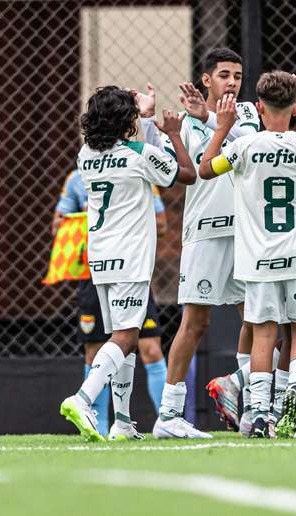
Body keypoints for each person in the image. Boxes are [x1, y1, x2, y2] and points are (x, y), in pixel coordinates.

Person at [198, 71, 296, 437]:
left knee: (264, 335)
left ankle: (260, 413)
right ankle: (292, 393)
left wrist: (222, 127)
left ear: (259, 107)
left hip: (258, 260)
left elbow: (205, 169)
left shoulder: (244, 147)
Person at [59, 86, 195, 443]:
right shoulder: (138, 153)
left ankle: (122, 421)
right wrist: (168, 131)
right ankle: (83, 399)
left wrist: (143, 117)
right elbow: (185, 173)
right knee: (124, 336)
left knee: (126, 336)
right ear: (127, 122)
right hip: (130, 259)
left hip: (100, 258)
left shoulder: (85, 155)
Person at [150, 48, 261, 439]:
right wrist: (177, 130)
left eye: (237, 75)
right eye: (224, 75)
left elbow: (250, 143)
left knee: (261, 319)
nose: (232, 82)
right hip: (205, 233)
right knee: (195, 322)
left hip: (247, 234)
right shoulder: (185, 124)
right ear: (206, 79)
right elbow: (187, 174)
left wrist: (211, 118)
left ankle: (252, 407)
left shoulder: (246, 113)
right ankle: (168, 415)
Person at [52, 171, 169, 438]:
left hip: (131, 269)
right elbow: (57, 225)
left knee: (148, 346)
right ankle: (99, 426)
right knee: (96, 347)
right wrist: (87, 220)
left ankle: (166, 419)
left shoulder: (139, 171)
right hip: (94, 272)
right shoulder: (76, 178)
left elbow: (161, 224)